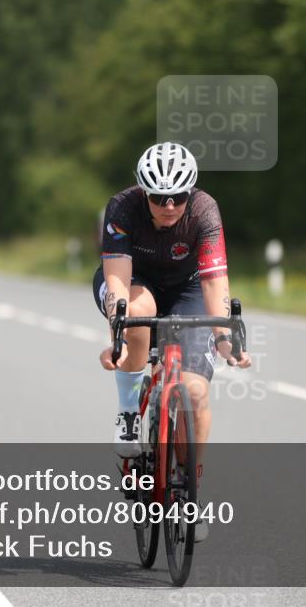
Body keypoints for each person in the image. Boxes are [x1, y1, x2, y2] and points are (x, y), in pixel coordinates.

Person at [93, 142, 252, 541]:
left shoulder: (204, 210)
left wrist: (223, 337)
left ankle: (191, 493)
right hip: (134, 281)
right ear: (144, 193)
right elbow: (117, 278)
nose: (169, 206)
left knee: (196, 391)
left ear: (190, 193)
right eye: (159, 197)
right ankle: (129, 413)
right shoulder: (123, 208)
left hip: (188, 289)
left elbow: (215, 280)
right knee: (140, 313)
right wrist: (120, 324)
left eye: (178, 197)